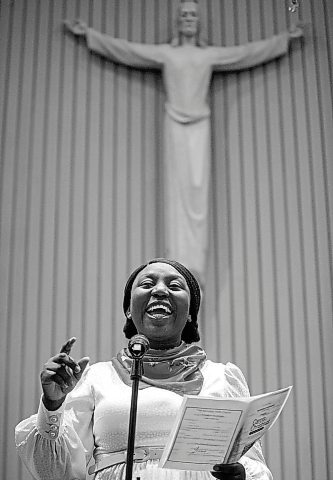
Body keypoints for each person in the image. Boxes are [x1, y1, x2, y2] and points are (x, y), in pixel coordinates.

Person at [63, 2, 303, 283]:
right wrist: (91, 35)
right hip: (174, 124)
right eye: (184, 15)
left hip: (200, 124)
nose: (189, 19)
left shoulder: (209, 55)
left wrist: (283, 39)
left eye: (193, 16)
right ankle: (179, 262)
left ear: (198, 23)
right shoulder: (167, 53)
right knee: (176, 192)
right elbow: (128, 50)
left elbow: (246, 53)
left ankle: (194, 266)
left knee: (197, 189)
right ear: (178, 22)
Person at [16, 258, 273, 480]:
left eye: (174, 286)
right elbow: (49, 467)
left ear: (192, 313)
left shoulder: (222, 377)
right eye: (147, 284)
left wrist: (241, 479)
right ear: (129, 309)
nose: (160, 291)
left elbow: (252, 465)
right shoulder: (98, 376)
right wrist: (53, 404)